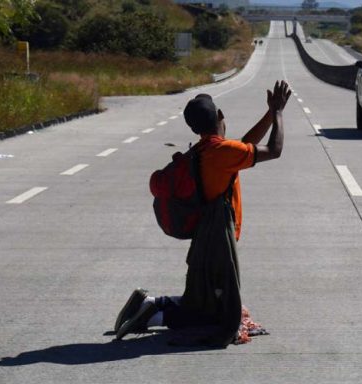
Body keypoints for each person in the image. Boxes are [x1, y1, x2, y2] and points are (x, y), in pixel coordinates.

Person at [114, 80, 292, 345]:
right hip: (216, 240)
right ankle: (152, 312)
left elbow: (246, 144)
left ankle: (152, 305)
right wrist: (277, 113)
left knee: (205, 299)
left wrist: (270, 112)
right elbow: (274, 151)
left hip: (206, 236)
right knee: (215, 313)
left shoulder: (206, 150)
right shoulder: (220, 152)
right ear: (220, 116)